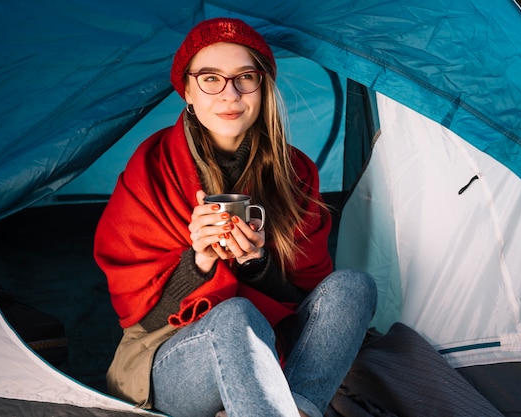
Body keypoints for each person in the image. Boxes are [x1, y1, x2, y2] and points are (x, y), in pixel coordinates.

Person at [94, 17, 377, 417]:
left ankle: (286, 408)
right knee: (236, 315)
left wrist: (257, 264)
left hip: (272, 345)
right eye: (210, 79)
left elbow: (303, 298)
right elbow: (142, 318)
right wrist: (200, 262)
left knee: (353, 287)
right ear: (187, 91)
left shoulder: (295, 171)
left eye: (245, 77)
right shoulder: (152, 170)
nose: (230, 94)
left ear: (262, 88)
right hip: (171, 357)